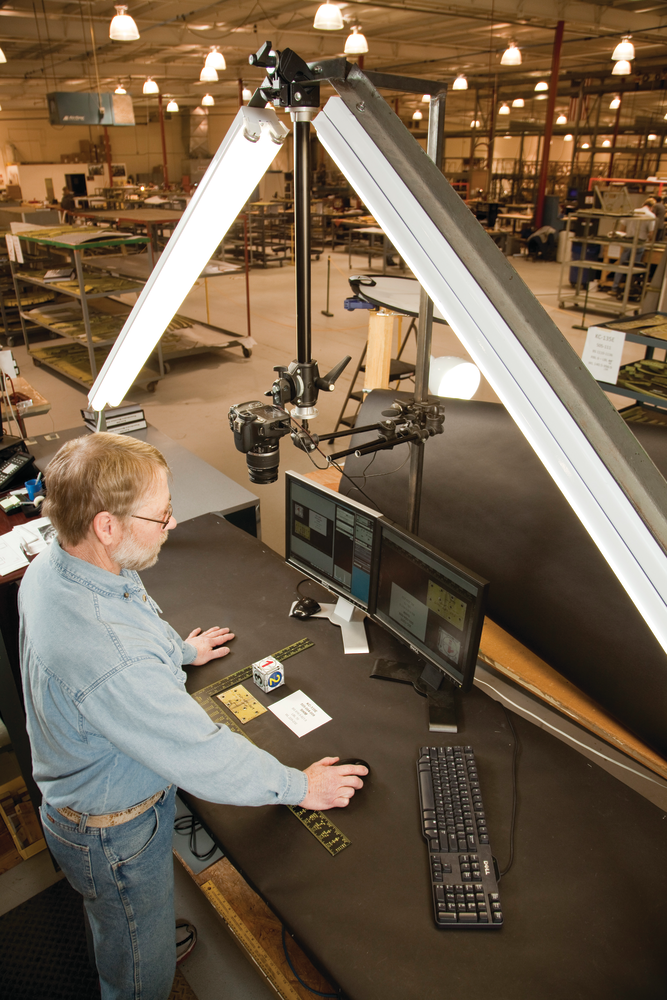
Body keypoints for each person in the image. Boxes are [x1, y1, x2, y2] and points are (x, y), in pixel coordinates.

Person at [18, 432, 366, 1000]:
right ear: (107, 526)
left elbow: (125, 610)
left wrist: (177, 651)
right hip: (115, 834)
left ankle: (129, 935)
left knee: (117, 920)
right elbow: (203, 756)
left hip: (81, 810)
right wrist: (300, 785)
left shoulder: (57, 564)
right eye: (161, 517)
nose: (173, 525)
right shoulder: (114, 657)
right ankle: (137, 961)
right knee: (139, 968)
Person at [610, 198, 656, 295]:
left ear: (644, 203)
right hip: (640, 242)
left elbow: (622, 228)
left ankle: (614, 288)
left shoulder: (633, 212)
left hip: (628, 241)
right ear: (652, 207)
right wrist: (650, 240)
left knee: (621, 265)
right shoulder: (651, 215)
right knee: (634, 267)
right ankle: (628, 289)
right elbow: (651, 233)